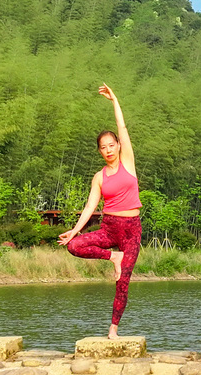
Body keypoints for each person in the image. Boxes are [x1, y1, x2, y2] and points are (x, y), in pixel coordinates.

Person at [59, 85, 142, 338]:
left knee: (123, 283)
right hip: (109, 229)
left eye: (111, 145)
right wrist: (74, 231)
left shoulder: (128, 161)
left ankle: (113, 329)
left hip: (131, 232)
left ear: (118, 145)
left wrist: (115, 100)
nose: (108, 149)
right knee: (73, 246)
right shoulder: (99, 177)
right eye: (103, 147)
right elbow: (89, 207)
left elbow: (123, 127)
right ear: (99, 151)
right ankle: (112, 257)